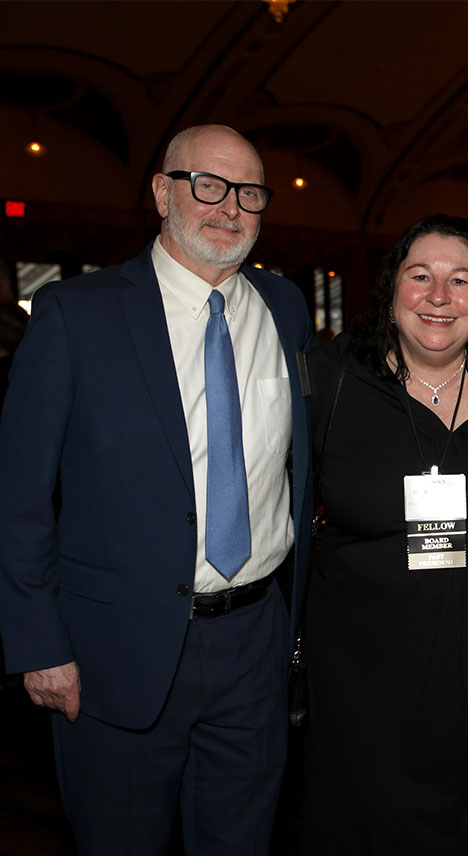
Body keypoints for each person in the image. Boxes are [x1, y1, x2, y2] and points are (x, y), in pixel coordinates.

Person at [0, 125, 314, 854]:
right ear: (161, 192)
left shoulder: (283, 307)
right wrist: (37, 643)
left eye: (249, 192)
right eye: (207, 184)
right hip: (118, 650)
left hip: (256, 642)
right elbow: (17, 496)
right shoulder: (77, 316)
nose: (228, 207)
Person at [300, 214, 468, 854]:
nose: (438, 297)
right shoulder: (330, 380)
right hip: (362, 676)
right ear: (390, 290)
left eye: (460, 280)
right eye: (420, 277)